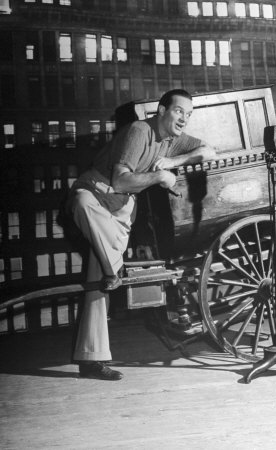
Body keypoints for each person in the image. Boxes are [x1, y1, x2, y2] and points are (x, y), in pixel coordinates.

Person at [68, 89, 216, 380]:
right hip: (96, 201)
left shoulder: (172, 139)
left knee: (97, 288)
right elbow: (121, 181)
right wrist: (160, 176)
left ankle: (90, 359)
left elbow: (209, 151)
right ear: (161, 111)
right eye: (178, 111)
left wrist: (173, 162)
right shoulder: (139, 130)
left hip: (119, 216)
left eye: (189, 114)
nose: (184, 118)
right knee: (82, 203)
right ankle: (114, 268)